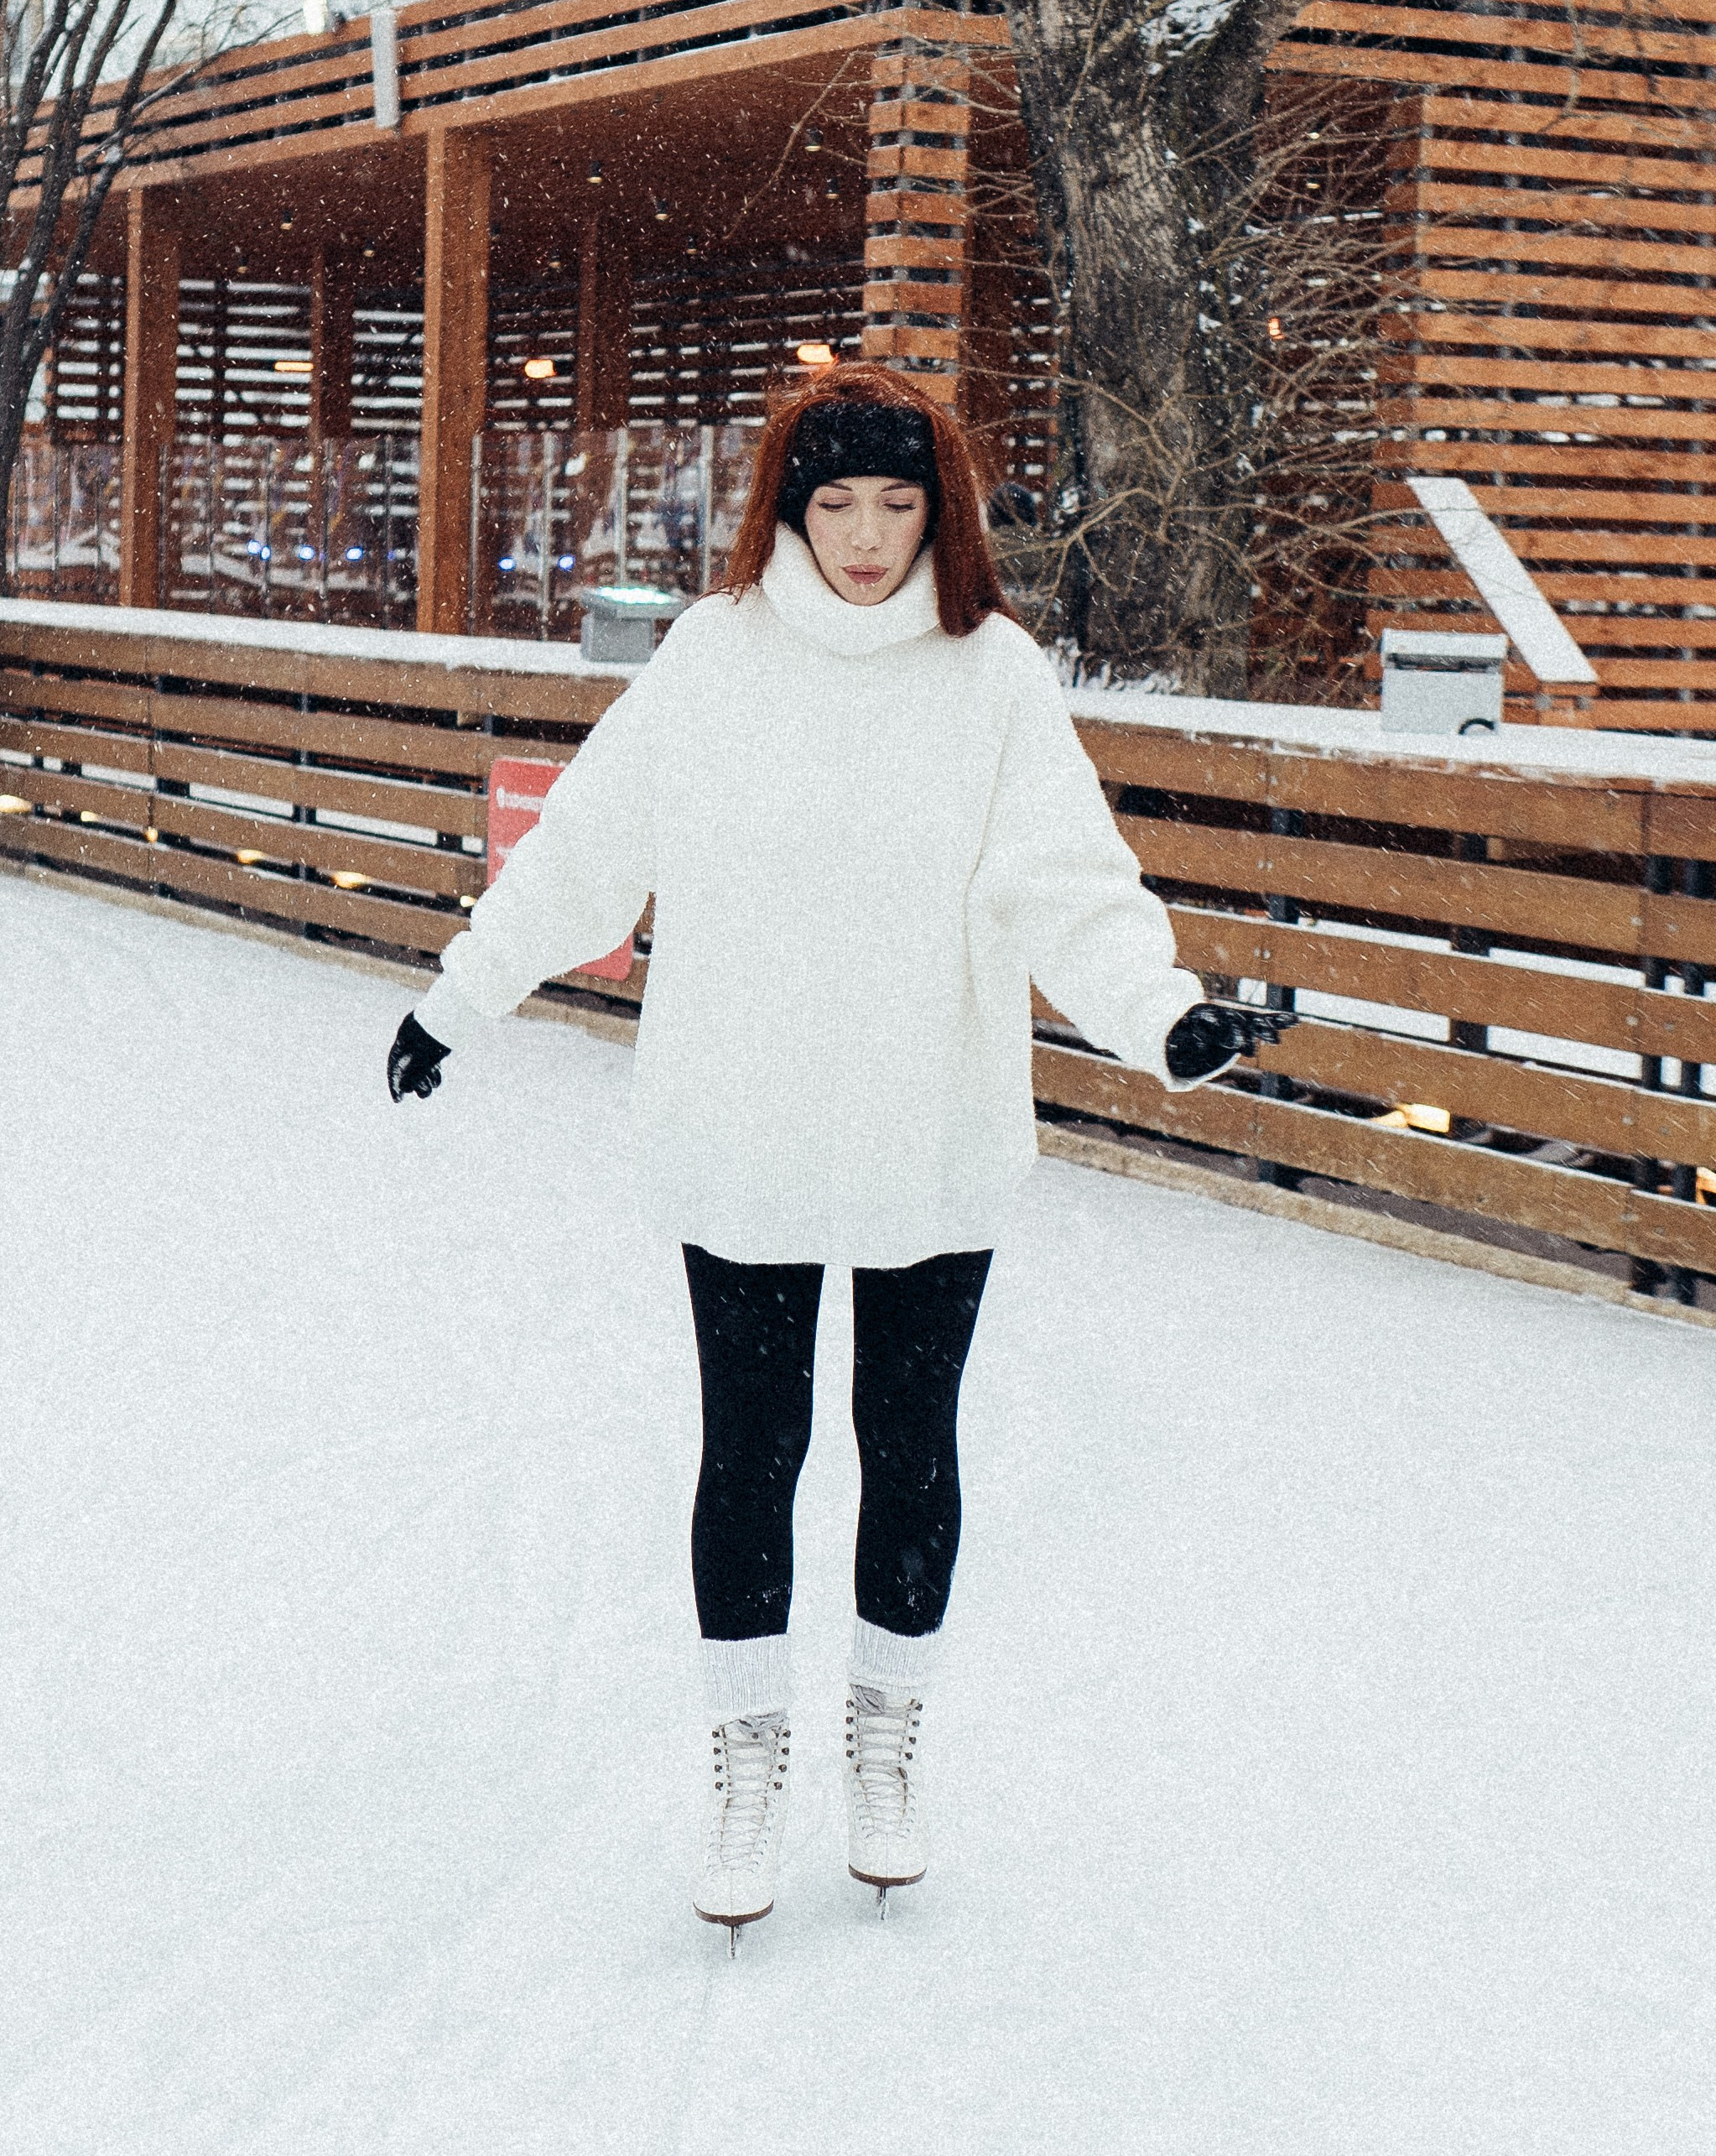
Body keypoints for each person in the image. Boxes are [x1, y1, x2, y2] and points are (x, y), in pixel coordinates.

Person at [386, 362, 1258, 1941]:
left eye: (898, 503)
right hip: (748, 1126)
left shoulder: (992, 675)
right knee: (755, 1453)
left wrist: (1165, 1015)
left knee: (910, 1450)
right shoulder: (715, 664)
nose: (866, 537)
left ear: (944, 512)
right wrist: (459, 1000)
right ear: (789, 505)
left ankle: (883, 1743)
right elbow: (586, 850)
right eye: (836, 502)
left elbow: (1074, 882)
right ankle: (747, 1763)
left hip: (931, 1125)